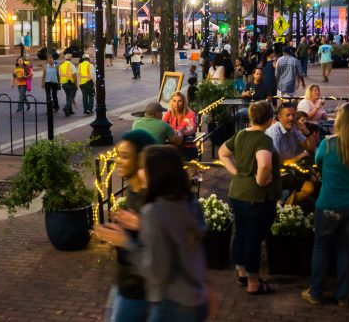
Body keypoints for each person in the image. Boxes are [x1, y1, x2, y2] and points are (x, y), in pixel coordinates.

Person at [95, 145, 209, 321]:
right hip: (196, 299)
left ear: (155, 173)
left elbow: (157, 272)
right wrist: (143, 225)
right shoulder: (189, 202)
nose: (138, 173)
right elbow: (177, 238)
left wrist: (126, 242)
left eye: (142, 168)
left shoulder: (154, 211)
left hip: (171, 304)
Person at [301, 103, 349, 307]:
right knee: (344, 249)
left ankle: (316, 292)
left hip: (329, 202)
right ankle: (342, 295)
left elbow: (319, 163)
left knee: (321, 247)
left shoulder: (328, 144)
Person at [218, 101, 279, 295]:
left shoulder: (241, 134)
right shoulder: (263, 139)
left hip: (237, 192)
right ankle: (254, 281)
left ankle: (242, 272)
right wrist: (261, 182)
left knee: (241, 233)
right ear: (270, 120)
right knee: (253, 237)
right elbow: (264, 165)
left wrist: (236, 172)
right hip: (256, 197)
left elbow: (222, 152)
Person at [103, 129, 156, 322]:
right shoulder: (133, 191)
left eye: (125, 156)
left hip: (139, 289)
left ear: (142, 159)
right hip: (123, 282)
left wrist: (125, 239)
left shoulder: (151, 199)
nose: (118, 161)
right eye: (118, 155)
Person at [266, 103, 316, 205]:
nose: (292, 118)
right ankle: (286, 209)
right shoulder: (274, 132)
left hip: (292, 169)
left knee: (314, 180)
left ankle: (289, 207)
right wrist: (299, 156)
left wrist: (306, 131)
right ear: (279, 117)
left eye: (293, 115)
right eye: (288, 115)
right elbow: (277, 161)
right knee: (309, 187)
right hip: (277, 173)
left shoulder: (294, 129)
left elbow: (311, 149)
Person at [163, 92, 198, 160]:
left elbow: (192, 129)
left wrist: (181, 132)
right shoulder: (169, 113)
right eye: (174, 101)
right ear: (171, 102)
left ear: (184, 102)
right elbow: (163, 125)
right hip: (172, 146)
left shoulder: (190, 114)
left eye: (179, 101)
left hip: (187, 147)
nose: (176, 104)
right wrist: (177, 131)